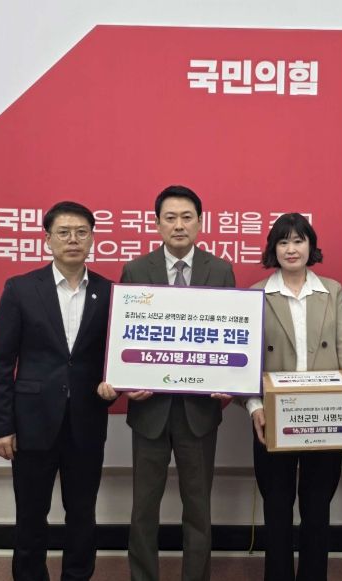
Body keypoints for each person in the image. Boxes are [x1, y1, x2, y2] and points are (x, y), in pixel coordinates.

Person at [98, 185, 235, 581]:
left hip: (199, 412)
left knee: (199, 508)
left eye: (187, 217)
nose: (179, 225)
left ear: (200, 223)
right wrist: (126, 382)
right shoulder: (136, 270)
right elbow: (125, 334)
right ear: (157, 224)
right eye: (170, 218)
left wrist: (228, 379)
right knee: (144, 508)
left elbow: (229, 333)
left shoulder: (219, 270)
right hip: (150, 410)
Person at [0, 201, 115, 581]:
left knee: (82, 514)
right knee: (30, 515)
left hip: (86, 422)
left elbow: (116, 358)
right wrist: (1, 426)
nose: (73, 239)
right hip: (32, 424)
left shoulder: (110, 292)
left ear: (92, 239)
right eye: (64, 232)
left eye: (81, 232)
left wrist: (116, 388)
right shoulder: (21, 289)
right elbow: (0, 363)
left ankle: (77, 576)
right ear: (48, 240)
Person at [245, 212, 342, 581]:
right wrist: (254, 407)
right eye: (283, 242)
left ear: (310, 246)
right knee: (277, 506)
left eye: (298, 240)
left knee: (317, 506)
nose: (291, 249)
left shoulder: (331, 290)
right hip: (273, 416)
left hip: (325, 414)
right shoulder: (256, 294)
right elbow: (247, 360)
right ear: (273, 249)